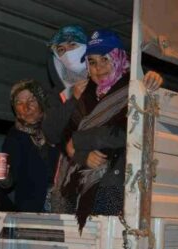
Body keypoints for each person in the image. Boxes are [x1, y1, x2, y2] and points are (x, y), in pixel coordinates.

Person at [55, 30, 162, 231]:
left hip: (115, 187)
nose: (99, 68)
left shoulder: (134, 88)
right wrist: (83, 157)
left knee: (110, 248)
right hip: (80, 190)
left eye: (105, 59)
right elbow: (64, 139)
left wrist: (79, 141)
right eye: (92, 62)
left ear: (119, 58)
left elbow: (125, 133)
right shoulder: (87, 94)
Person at [0, 80, 60, 213]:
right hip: (31, 211)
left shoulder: (56, 128)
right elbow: (9, 182)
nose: (25, 107)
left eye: (31, 101)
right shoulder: (14, 137)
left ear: (41, 102)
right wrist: (3, 178)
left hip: (63, 207)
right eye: (19, 103)